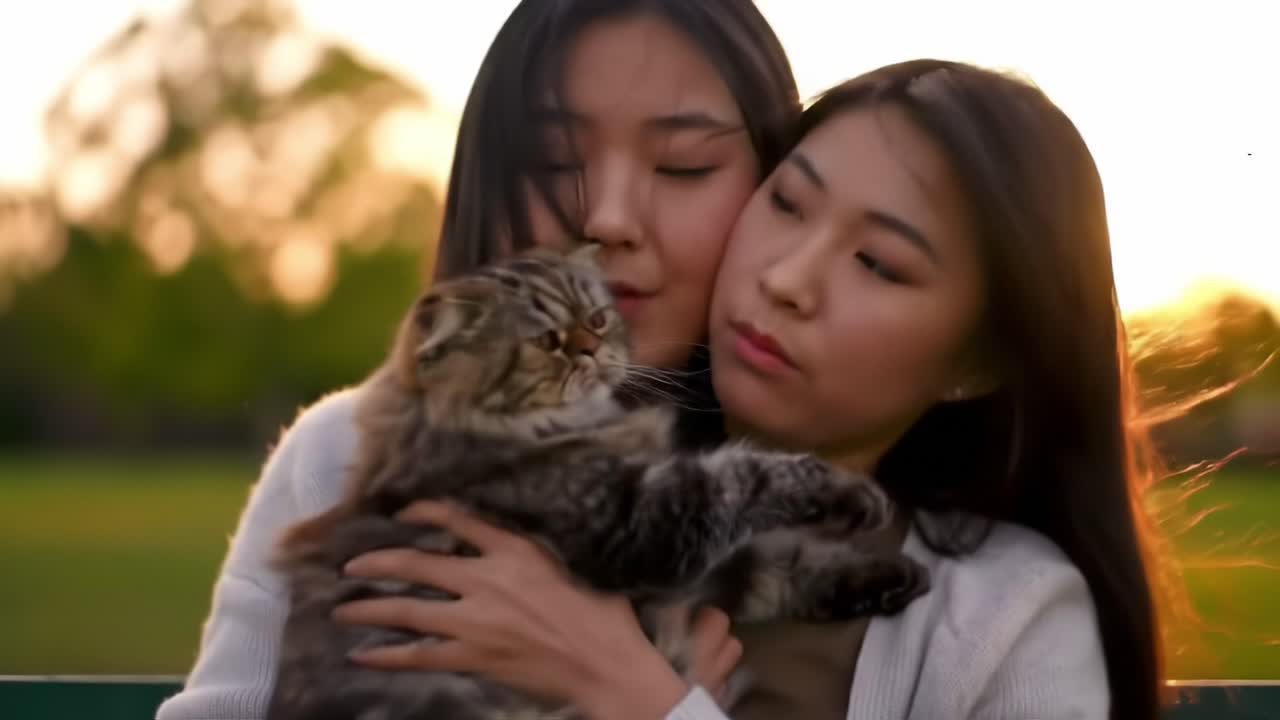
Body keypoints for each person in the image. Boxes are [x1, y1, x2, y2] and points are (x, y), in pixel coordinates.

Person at [328, 61, 1170, 720]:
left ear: (976, 363)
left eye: (878, 263)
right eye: (789, 205)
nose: (787, 279)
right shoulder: (468, 470)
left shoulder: (1010, 619)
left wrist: (637, 699)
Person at [155, 1, 801, 718]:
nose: (608, 218)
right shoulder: (343, 457)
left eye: (684, 167)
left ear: (779, 192)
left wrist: (639, 696)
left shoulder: (866, 525)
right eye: (552, 162)